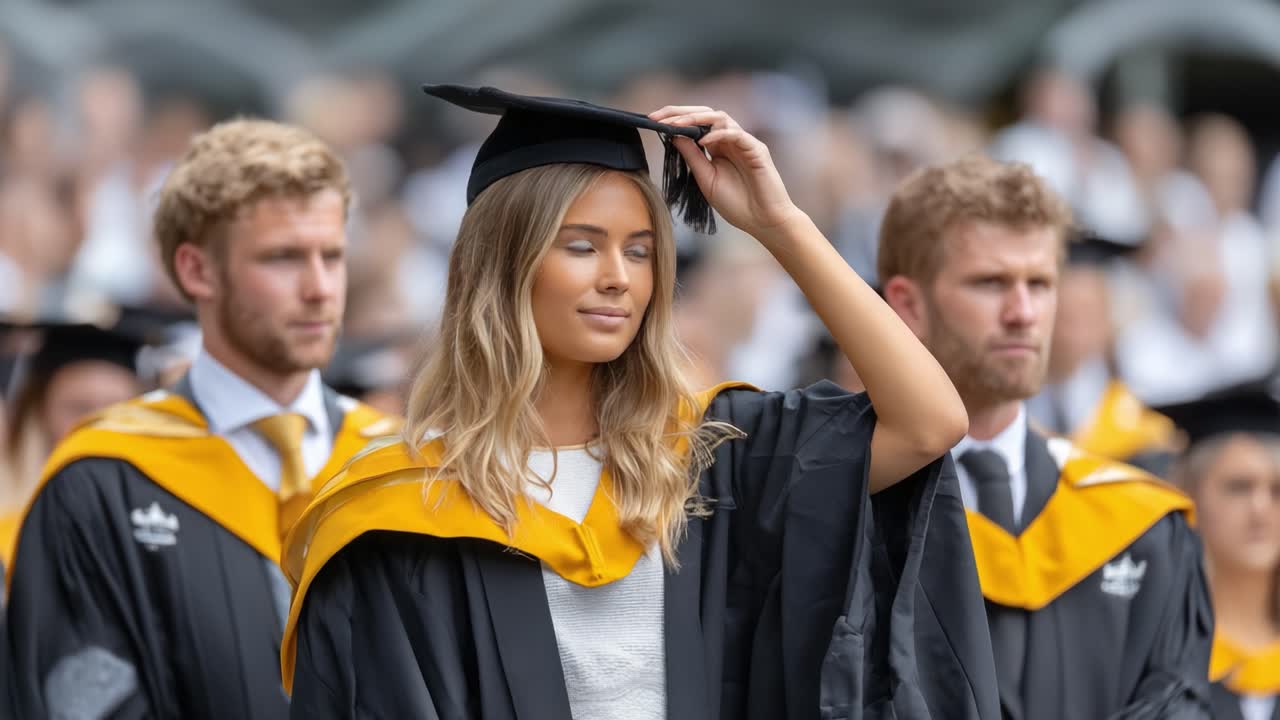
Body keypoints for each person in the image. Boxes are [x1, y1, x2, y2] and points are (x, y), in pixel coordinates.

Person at [282, 84, 998, 719]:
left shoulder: (703, 458)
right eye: (582, 246)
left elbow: (931, 421)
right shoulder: (406, 510)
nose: (618, 278)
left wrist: (781, 225)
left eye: (639, 250)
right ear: (502, 266)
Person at [4, 118, 401, 719]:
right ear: (196, 271)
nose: (320, 289)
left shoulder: (399, 468)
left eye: (333, 256)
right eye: (283, 258)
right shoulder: (104, 481)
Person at [878, 155, 1213, 718]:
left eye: (1041, 283)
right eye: (991, 283)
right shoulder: (853, 507)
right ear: (908, 305)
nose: (1023, 313)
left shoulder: (1138, 525)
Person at [0, 313, 154, 572]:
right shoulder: (9, 526)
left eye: (118, 408)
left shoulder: (158, 525)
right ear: (39, 414)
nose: (99, 423)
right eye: (79, 407)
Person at [1161, 387, 1280, 720]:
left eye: (1277, 490)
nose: (1261, 510)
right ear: (1189, 496)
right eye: (1239, 487)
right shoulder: (1160, 657)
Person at [1025, 235, 1179, 475]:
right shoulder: (1008, 412)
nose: (1071, 330)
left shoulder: (1141, 427)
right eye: (1063, 314)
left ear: (1108, 321)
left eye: (1087, 314)